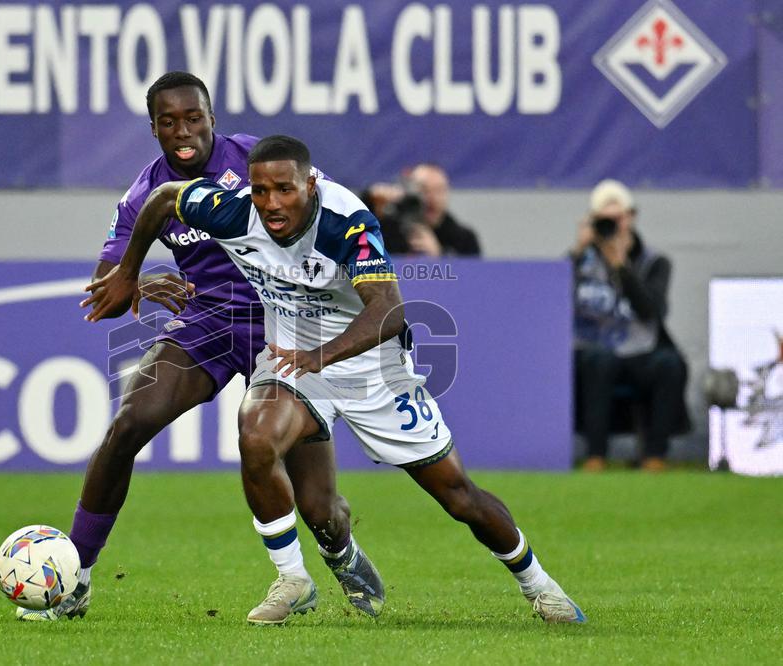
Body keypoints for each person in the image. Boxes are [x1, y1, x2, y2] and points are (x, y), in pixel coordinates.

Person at [84, 135, 586, 625]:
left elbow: (388, 311)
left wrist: (320, 356)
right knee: (256, 435)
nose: (271, 204)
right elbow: (163, 198)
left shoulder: (347, 223)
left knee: (457, 495)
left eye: (285, 190)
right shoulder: (231, 210)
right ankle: (293, 579)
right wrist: (130, 271)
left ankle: (538, 584)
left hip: (371, 365)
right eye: (260, 191)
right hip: (295, 358)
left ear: (311, 187)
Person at [18, 74, 384, 621]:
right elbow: (108, 288)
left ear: (213, 118)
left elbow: (326, 219)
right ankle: (76, 578)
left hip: (284, 322)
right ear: (154, 129)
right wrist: (137, 282)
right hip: (208, 323)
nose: (183, 131)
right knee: (127, 425)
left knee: (320, 508)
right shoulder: (143, 193)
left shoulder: (260, 165)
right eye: (169, 122)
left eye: (193, 118)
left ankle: (341, 550)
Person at [572, 179, 689, 472]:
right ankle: (595, 455)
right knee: (598, 361)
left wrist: (621, 266)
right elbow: (553, 303)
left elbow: (652, 310)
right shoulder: (581, 260)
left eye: (618, 218)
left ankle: (655, 455)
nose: (613, 226)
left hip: (642, 350)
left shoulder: (654, 261)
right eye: (605, 220)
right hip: (597, 349)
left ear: (631, 217)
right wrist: (577, 253)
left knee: (670, 364)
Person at [369, 164, 481, 257]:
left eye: (439, 190)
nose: (432, 198)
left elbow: (473, 278)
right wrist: (370, 201)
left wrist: (441, 256)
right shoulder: (386, 231)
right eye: (424, 190)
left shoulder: (463, 238)